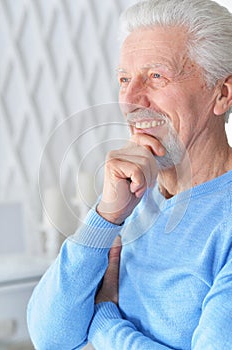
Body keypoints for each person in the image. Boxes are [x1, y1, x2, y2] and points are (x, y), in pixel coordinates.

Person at [27, 0, 232, 349]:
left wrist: (104, 319)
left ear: (222, 94)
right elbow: (50, 336)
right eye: (124, 79)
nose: (132, 99)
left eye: (156, 76)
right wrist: (106, 216)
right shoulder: (131, 194)